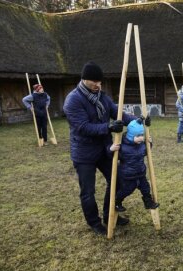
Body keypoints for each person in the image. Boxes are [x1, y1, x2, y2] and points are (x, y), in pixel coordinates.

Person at [63, 61, 150, 236]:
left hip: (105, 149)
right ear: (84, 80)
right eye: (94, 81)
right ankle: (94, 223)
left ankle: (109, 215)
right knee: (88, 191)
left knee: (116, 181)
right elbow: (82, 127)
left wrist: (138, 120)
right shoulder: (73, 100)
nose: (97, 85)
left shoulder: (102, 97)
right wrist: (108, 128)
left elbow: (119, 113)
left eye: (100, 81)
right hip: (84, 153)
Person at [109, 119, 159, 213]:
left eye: (142, 135)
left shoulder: (141, 145)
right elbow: (113, 156)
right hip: (128, 175)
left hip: (140, 173)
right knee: (126, 190)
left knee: (146, 188)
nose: (141, 138)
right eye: (138, 136)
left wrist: (149, 143)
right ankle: (117, 201)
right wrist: (111, 150)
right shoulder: (123, 147)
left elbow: (146, 152)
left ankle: (148, 202)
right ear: (131, 136)